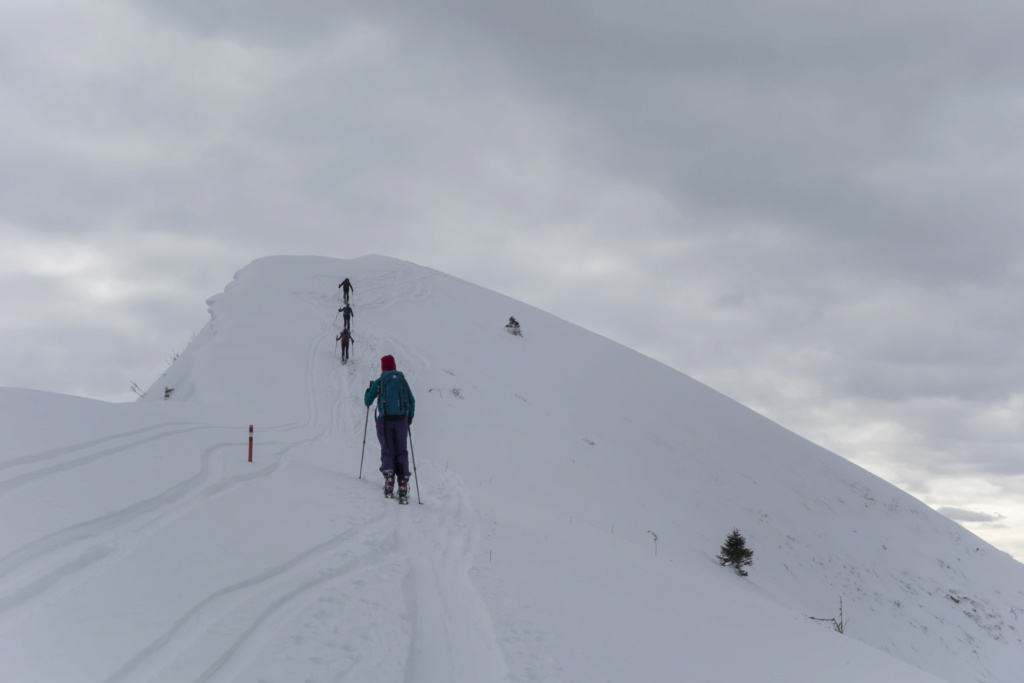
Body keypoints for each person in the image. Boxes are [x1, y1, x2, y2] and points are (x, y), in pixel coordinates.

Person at [364, 355, 416, 501]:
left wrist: (368, 391)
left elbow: (368, 402)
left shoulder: (380, 382)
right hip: (401, 421)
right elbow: (411, 401)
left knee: (387, 449)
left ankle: (389, 480)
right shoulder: (402, 380)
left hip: (385, 421)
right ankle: (403, 483)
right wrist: (409, 417)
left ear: (383, 367)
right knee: (402, 450)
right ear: (394, 366)